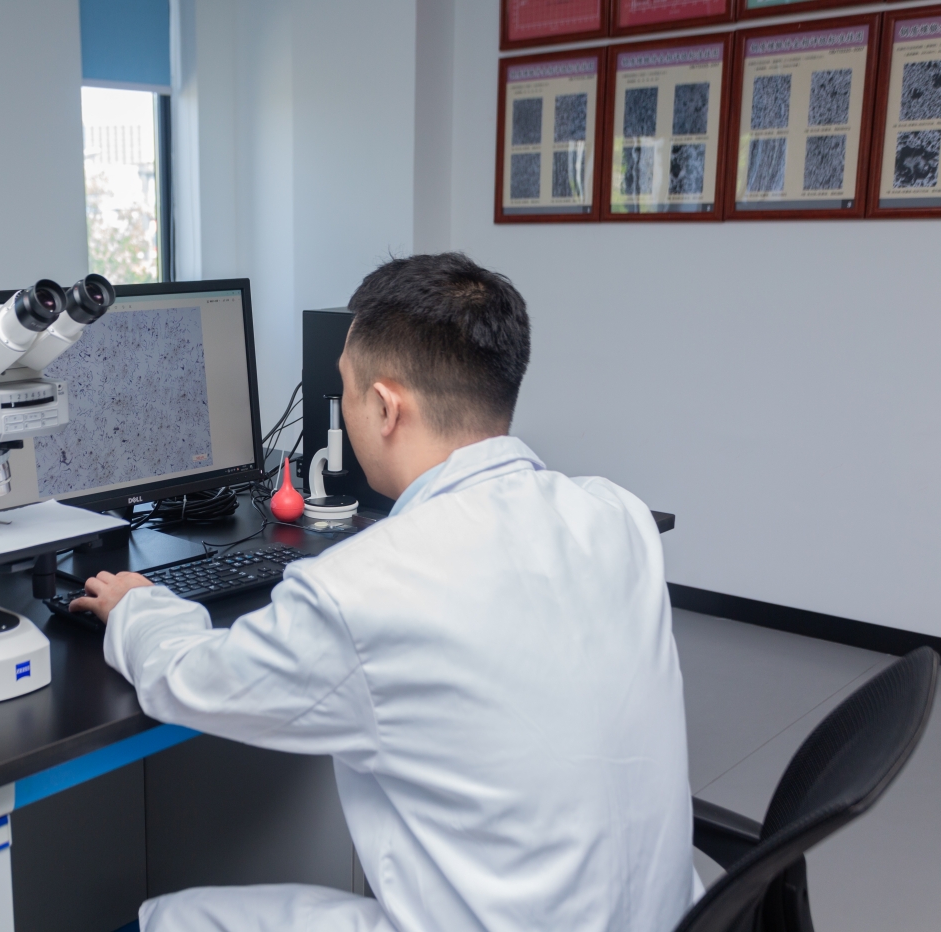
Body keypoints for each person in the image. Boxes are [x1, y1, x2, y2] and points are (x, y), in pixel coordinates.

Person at [71, 253, 699, 932]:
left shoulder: (367, 587)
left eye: (344, 389)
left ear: (384, 406)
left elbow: (191, 681)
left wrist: (135, 605)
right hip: (671, 917)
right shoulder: (617, 515)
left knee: (164, 920)